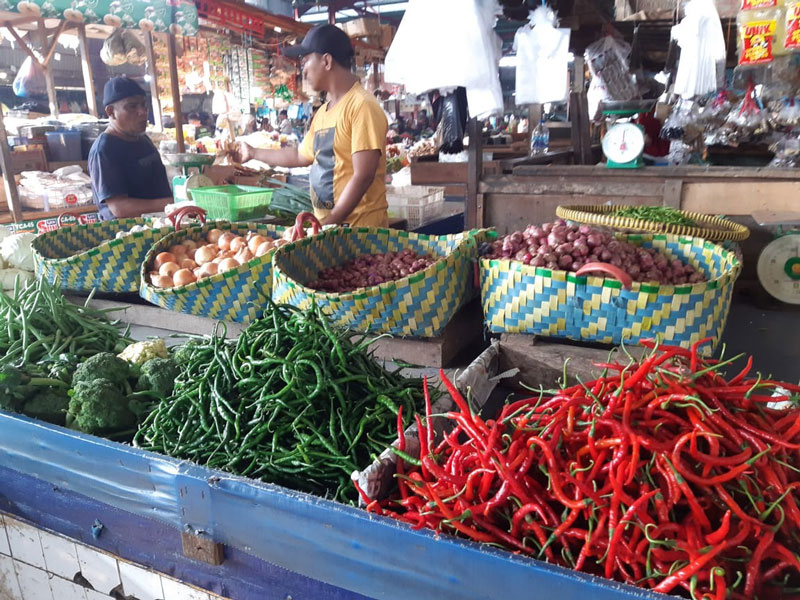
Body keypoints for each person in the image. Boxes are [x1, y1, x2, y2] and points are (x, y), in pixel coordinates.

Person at [233, 24, 388, 227]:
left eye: (306, 61)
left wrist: (330, 222)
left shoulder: (362, 106)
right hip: (332, 229)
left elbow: (363, 175)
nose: (303, 70)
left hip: (361, 232)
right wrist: (253, 153)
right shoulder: (323, 113)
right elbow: (300, 156)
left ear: (326, 61)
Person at [88, 76, 172, 220]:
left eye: (144, 105)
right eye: (132, 107)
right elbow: (120, 208)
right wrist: (172, 204)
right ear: (111, 112)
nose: (142, 112)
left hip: (159, 224)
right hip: (129, 232)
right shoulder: (105, 150)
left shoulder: (143, 139)